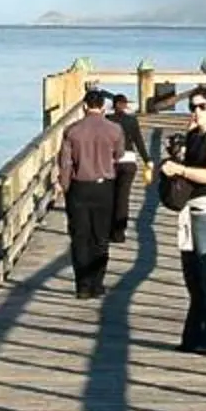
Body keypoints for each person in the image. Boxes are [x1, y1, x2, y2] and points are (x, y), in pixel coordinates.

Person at [157, 85, 206, 352]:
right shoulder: (194, 136)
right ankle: (194, 338)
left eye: (202, 106)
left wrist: (180, 169)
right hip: (189, 211)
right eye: (193, 107)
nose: (197, 111)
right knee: (193, 277)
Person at [56, 88, 122, 298]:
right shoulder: (115, 130)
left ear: (84, 106)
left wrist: (65, 187)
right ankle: (97, 283)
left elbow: (65, 163)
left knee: (80, 238)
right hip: (104, 187)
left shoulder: (72, 131)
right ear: (103, 107)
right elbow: (119, 155)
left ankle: (83, 286)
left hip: (79, 187)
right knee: (101, 238)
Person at [108, 91, 145, 242]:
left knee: (111, 196)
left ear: (113, 105)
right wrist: (147, 159)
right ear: (125, 105)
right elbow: (138, 141)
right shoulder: (132, 120)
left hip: (111, 161)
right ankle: (119, 232)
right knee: (123, 198)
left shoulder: (108, 120)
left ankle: (110, 229)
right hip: (129, 161)